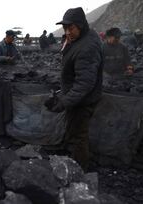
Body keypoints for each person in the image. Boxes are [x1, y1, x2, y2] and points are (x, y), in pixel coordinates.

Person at [45, 7, 103, 170]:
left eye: (71, 28)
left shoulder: (87, 47)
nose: (67, 32)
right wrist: (61, 94)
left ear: (81, 26)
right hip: (75, 98)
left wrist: (64, 102)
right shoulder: (79, 39)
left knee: (79, 136)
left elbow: (84, 83)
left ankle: (79, 171)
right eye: (65, 28)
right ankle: (75, 160)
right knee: (75, 131)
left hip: (82, 101)